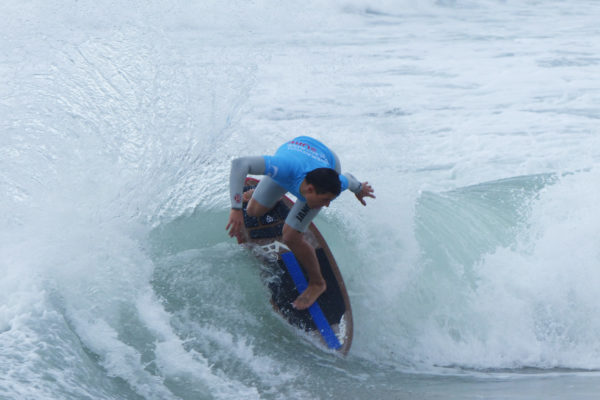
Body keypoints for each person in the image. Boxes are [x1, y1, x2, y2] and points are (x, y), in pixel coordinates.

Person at [226, 136, 375, 310]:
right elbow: (239, 164)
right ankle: (270, 195)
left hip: (328, 162)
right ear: (310, 190)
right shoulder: (283, 168)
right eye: (325, 199)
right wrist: (236, 208)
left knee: (290, 236)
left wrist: (360, 189)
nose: (327, 205)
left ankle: (318, 283)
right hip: (294, 157)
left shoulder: (336, 182)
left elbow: (348, 179)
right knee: (252, 211)